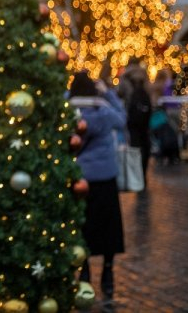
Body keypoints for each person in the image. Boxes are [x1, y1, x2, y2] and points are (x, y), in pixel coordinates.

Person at [69, 71, 126, 299]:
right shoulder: (103, 111)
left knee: (84, 225)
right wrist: (108, 93)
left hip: (79, 178)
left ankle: (84, 271)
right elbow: (122, 119)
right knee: (109, 227)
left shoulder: (68, 112)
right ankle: (108, 272)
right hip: (105, 177)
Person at [124, 68, 152, 183]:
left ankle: (137, 176)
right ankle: (142, 175)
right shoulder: (145, 93)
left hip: (134, 128)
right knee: (144, 150)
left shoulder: (132, 94)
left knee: (136, 151)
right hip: (144, 128)